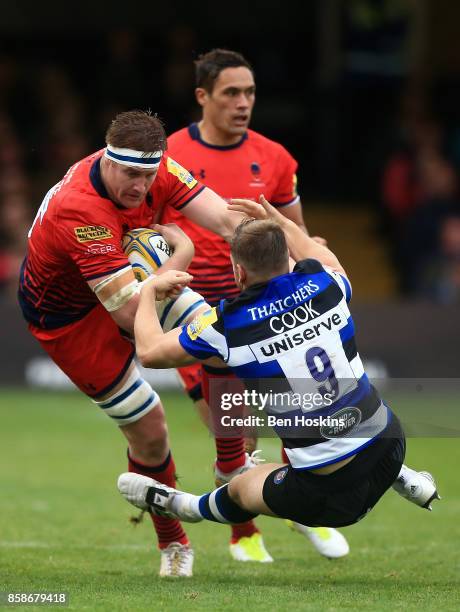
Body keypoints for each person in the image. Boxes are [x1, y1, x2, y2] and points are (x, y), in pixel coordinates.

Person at [118, 196, 440, 547]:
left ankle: (185, 505)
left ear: (238, 272)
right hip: (391, 445)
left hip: (333, 495)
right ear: (287, 257)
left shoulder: (228, 324)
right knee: (350, 411)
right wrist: (280, 222)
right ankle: (399, 473)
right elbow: (324, 259)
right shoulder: (326, 284)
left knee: (240, 488)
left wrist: (148, 290)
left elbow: (149, 352)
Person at [17, 109, 247, 577]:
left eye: (148, 175)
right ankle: (173, 543)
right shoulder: (80, 209)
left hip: (132, 279)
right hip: (70, 321)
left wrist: (295, 251)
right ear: (106, 157)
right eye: (130, 175)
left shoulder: (158, 167)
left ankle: (231, 466)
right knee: (151, 429)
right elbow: (133, 318)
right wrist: (182, 251)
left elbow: (228, 221)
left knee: (226, 337)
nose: (141, 187)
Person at [160, 48, 346, 561]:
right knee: (233, 423)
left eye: (250, 93)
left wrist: (313, 253)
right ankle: (245, 531)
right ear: (203, 97)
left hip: (267, 303)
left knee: (297, 409)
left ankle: (302, 509)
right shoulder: (170, 154)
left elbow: (296, 229)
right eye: (231, 94)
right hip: (199, 308)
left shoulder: (276, 157)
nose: (243, 103)